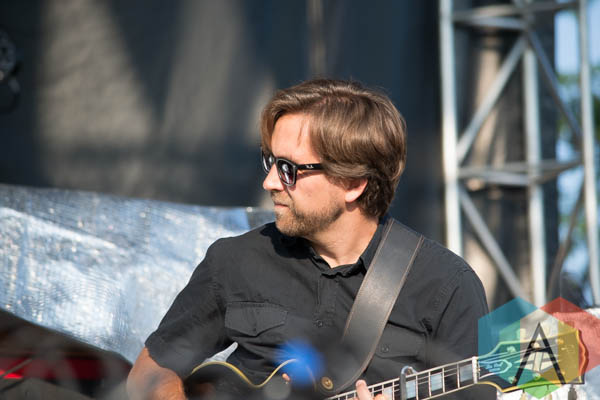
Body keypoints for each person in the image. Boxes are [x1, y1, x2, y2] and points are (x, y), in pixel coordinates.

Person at [126, 78, 493, 400]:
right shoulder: (234, 260)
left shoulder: (447, 285)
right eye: (270, 162)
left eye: (289, 169)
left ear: (352, 184)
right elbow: (150, 370)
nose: (269, 182)